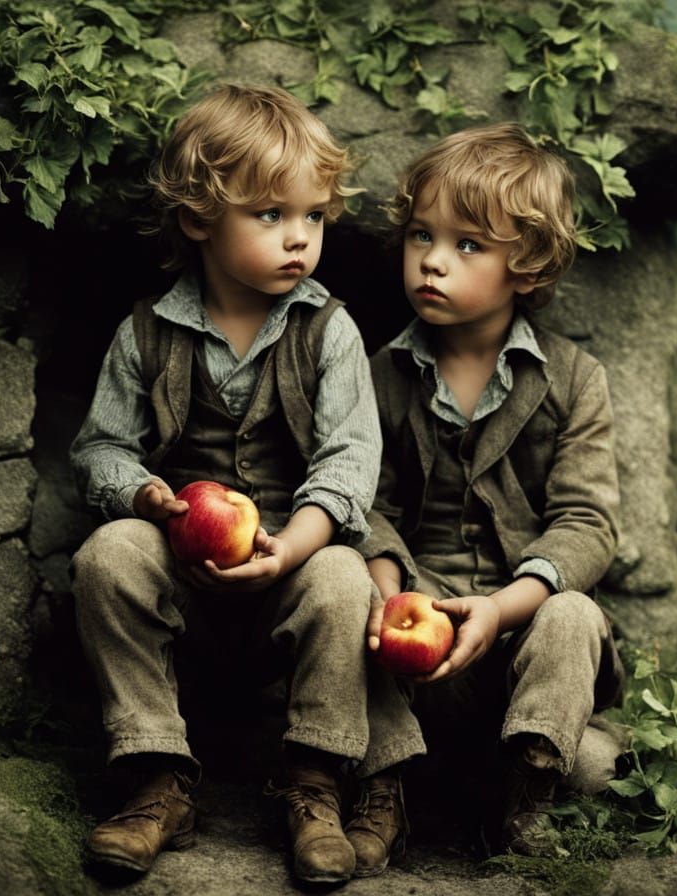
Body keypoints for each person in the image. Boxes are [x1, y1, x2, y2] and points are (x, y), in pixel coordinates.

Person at [68, 83, 415, 886]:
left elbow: (351, 460)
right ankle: (156, 779)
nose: (300, 239)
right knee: (107, 555)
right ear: (198, 220)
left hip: (285, 577)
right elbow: (101, 448)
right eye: (271, 216)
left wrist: (293, 545)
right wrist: (146, 496)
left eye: (315, 217)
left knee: (340, 573)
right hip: (183, 576)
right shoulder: (145, 332)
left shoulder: (327, 330)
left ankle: (315, 784)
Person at [354, 123, 627, 866]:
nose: (432, 262)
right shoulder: (379, 372)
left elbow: (587, 522)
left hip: (518, 637)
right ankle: (387, 788)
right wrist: (386, 586)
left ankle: (526, 795)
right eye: (420, 236)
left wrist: (504, 607)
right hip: (418, 622)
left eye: (467, 245)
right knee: (344, 588)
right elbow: (363, 500)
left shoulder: (574, 381)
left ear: (529, 267)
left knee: (573, 616)